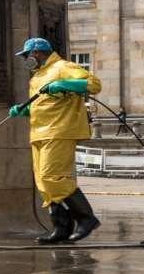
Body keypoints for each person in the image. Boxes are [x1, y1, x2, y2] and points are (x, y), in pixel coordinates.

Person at [8, 37, 102, 244]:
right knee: (43, 182)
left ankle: (87, 219)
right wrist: (25, 110)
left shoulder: (62, 67)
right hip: (39, 132)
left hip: (60, 130)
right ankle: (61, 227)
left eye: (26, 55)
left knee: (53, 177)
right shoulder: (37, 77)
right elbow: (45, 105)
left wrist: (64, 83)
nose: (25, 60)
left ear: (37, 53)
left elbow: (94, 84)